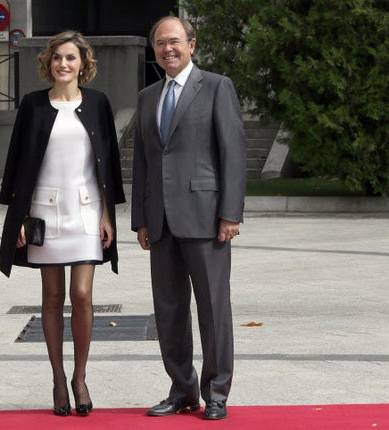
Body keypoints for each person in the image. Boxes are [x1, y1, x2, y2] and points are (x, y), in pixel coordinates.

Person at [0, 30, 125, 416]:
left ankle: (80, 377)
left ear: (82, 63)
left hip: (87, 210)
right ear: (48, 64)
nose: (63, 64)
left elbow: (110, 165)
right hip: (44, 212)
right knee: (51, 298)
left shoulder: (99, 103)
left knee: (82, 296)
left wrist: (107, 213)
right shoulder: (33, 105)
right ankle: (57, 379)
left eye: (71, 58)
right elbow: (16, 162)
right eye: (57, 58)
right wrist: (17, 216)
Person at [131, 17, 246, 421]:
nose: (168, 49)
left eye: (175, 42)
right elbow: (143, 162)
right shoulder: (147, 97)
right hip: (160, 222)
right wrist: (141, 219)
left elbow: (232, 153)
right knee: (169, 310)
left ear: (192, 45)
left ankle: (216, 393)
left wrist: (230, 213)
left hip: (206, 217)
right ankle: (182, 390)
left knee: (213, 307)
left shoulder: (216, 87)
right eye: (161, 43)